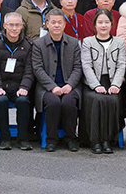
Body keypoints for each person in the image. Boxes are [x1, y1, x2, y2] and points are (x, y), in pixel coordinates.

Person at [31, 11, 82, 152]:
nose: (56, 25)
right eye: (53, 22)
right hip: (47, 87)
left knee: (68, 102)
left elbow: (78, 67)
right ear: (47, 24)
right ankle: (51, 139)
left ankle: (71, 138)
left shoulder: (73, 43)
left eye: (60, 22)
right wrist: (52, 87)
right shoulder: (38, 44)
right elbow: (37, 68)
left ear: (64, 24)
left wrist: (70, 84)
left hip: (70, 86)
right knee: (53, 102)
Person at [80, 9, 126, 154]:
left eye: (106, 22)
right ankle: (94, 140)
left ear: (112, 24)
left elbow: (121, 65)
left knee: (113, 100)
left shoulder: (119, 42)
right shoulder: (88, 42)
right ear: (95, 25)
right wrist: (96, 85)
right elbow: (86, 65)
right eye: (100, 22)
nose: (103, 25)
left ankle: (107, 140)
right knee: (97, 99)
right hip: (92, 83)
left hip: (112, 81)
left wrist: (116, 84)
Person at [0, 12, 34, 150]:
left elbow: (29, 70)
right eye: (11, 25)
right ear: (5, 26)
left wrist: (24, 87)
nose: (14, 28)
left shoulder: (28, 45)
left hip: (19, 86)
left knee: (23, 101)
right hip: (0, 85)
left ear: (22, 26)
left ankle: (23, 138)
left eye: (17, 25)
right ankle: (4, 138)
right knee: (1, 101)